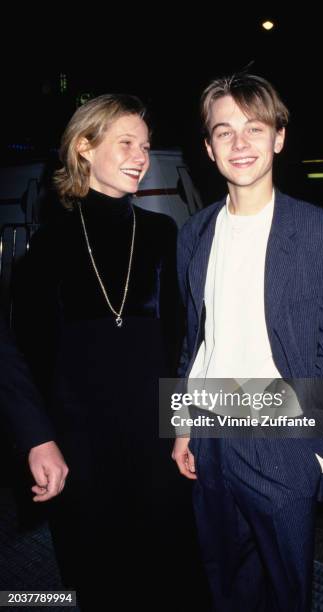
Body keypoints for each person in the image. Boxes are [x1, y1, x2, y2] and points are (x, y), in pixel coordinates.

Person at [172, 73, 323, 611]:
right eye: (224, 131)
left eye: (254, 128)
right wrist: (182, 424)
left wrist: (316, 456)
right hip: (210, 433)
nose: (240, 143)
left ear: (278, 137)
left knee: (285, 593)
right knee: (225, 585)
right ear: (208, 149)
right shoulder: (195, 234)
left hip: (285, 441)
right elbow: (196, 342)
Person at [12, 94, 181, 609]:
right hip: (80, 446)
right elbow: (19, 352)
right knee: (96, 574)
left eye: (146, 146)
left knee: (165, 573)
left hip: (156, 443)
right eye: (126, 142)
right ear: (84, 147)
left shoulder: (162, 233)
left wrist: (184, 425)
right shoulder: (48, 244)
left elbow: (182, 344)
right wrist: (38, 439)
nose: (141, 156)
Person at [0, 311, 68, 502]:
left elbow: (161, 343)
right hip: (75, 416)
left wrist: (162, 428)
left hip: (152, 415)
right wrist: (39, 438)